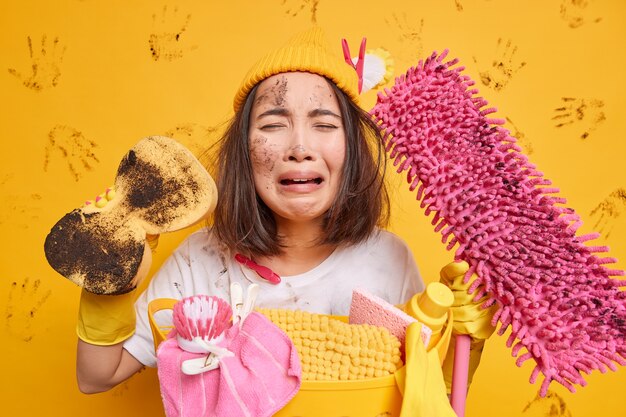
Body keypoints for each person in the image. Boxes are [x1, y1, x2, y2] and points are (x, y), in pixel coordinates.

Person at [75, 26, 427, 394]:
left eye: (324, 124)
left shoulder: (388, 259)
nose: (300, 147)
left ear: (352, 149)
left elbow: (428, 389)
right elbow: (97, 376)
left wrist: (469, 339)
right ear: (243, 152)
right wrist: (107, 281)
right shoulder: (201, 261)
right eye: (273, 124)